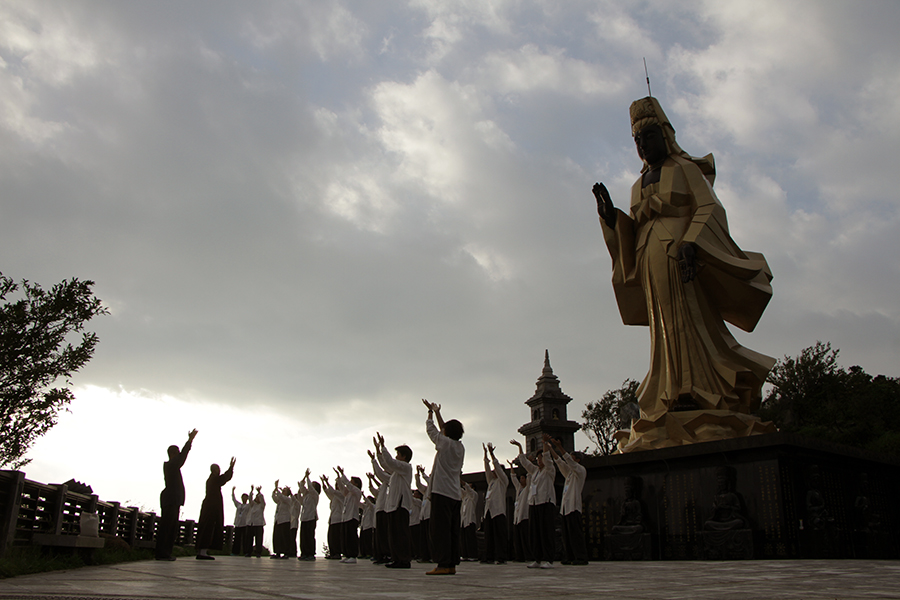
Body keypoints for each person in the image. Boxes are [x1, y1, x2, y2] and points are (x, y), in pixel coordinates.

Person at [592, 96, 775, 452]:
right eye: (637, 141)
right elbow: (631, 228)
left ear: (665, 135)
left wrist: (692, 241)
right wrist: (611, 217)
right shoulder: (638, 183)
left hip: (681, 256)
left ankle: (700, 389)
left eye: (648, 136)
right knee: (664, 330)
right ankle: (669, 393)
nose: (643, 146)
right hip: (649, 259)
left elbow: (708, 207)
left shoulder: (686, 168)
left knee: (688, 322)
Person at [423, 399, 464, 576]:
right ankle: (451, 563)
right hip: (455, 494)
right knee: (452, 531)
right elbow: (443, 431)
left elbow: (432, 431)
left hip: (442, 492)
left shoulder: (445, 443)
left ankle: (443, 564)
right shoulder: (459, 447)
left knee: (440, 531)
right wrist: (438, 412)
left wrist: (430, 414)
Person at [511, 437, 556, 569]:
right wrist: (519, 446)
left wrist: (546, 446)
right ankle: (537, 558)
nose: (539, 460)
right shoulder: (535, 471)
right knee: (535, 532)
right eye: (538, 459)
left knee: (546, 532)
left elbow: (548, 460)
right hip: (534, 503)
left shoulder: (549, 470)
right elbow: (525, 463)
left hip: (546, 503)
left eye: (541, 458)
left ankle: (548, 559)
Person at [156, 428, 198, 561]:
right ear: (173, 454)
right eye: (178, 453)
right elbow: (182, 457)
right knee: (167, 527)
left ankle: (165, 553)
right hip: (170, 499)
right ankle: (162, 553)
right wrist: (190, 441)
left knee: (171, 527)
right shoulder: (171, 465)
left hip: (172, 499)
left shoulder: (172, 466)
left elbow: (181, 458)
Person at [376, 431, 414, 569]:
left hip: (400, 505)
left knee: (400, 534)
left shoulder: (406, 467)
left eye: (398, 454)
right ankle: (397, 558)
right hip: (392, 506)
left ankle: (404, 559)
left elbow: (390, 463)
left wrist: (383, 447)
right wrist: (379, 454)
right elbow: (386, 466)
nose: (396, 457)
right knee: (393, 535)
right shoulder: (396, 473)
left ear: (404, 457)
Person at [547, 437, 588, 565]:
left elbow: (568, 461)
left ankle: (581, 557)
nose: (570, 460)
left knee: (575, 533)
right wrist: (550, 449)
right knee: (566, 534)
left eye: (572, 457)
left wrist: (560, 447)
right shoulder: (569, 474)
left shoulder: (580, 471)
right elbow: (560, 462)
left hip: (574, 507)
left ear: (578, 460)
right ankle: (570, 556)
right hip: (565, 507)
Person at [196, 456, 236, 560]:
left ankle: (202, 551)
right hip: (211, 507)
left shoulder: (211, 480)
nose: (219, 471)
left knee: (207, 527)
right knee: (208, 527)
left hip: (209, 506)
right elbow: (224, 478)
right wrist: (231, 467)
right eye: (218, 470)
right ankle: (203, 552)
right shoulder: (214, 479)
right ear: (214, 470)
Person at [481, 442, 509, 564]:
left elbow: (497, 467)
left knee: (500, 536)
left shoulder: (503, 481)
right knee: (489, 536)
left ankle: (501, 557)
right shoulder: (491, 482)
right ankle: (489, 557)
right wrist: (485, 455)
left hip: (498, 511)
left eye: (495, 470)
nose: (493, 472)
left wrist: (493, 455)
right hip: (489, 511)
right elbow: (487, 470)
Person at [335, 466, 363, 563]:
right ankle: (347, 554)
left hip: (352, 517)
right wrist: (339, 478)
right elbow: (342, 489)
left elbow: (348, 485)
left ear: (356, 484)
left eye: (352, 481)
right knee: (345, 537)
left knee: (351, 537)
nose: (350, 483)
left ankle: (353, 555)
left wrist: (343, 475)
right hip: (346, 517)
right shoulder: (349, 494)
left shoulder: (357, 492)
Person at [508, 460, 532, 562]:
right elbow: (513, 478)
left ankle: (528, 556)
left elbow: (530, 475)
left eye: (523, 478)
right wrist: (511, 467)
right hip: (517, 517)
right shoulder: (519, 489)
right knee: (517, 539)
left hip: (524, 516)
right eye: (521, 478)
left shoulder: (528, 489)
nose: (521, 480)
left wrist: (529, 463)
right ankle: (519, 556)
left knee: (525, 539)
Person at [297, 469, 320, 560]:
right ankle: (304, 553)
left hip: (311, 518)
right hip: (304, 518)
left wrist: (307, 477)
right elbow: (302, 486)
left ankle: (310, 553)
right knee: (303, 537)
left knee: (310, 536)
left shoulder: (315, 495)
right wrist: (304, 477)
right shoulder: (306, 496)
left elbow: (309, 487)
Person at [320, 474, 344, 559]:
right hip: (332, 519)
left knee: (336, 537)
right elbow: (327, 491)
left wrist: (327, 481)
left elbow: (333, 491)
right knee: (331, 537)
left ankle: (337, 553)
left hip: (338, 519)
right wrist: (323, 482)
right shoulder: (334, 497)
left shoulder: (342, 495)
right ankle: (333, 552)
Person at [270, 480, 293, 559]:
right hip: (278, 520)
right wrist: (275, 490)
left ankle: (286, 552)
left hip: (285, 520)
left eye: (284, 490)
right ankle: (277, 552)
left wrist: (277, 487)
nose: (283, 491)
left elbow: (281, 497)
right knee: (277, 537)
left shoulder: (288, 500)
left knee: (284, 537)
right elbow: (274, 497)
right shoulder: (280, 501)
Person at [459, 481, 478, 561]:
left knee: (470, 539)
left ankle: (473, 555)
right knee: (463, 539)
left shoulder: (474, 495)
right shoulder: (465, 497)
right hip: (464, 520)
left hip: (470, 520)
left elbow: (468, 490)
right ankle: (465, 555)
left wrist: (464, 484)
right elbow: (460, 490)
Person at [246, 486, 266, 557]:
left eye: (258, 497)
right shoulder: (252, 505)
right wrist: (251, 491)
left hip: (259, 524)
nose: (257, 498)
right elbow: (250, 499)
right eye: (256, 497)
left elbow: (263, 500)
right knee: (249, 539)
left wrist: (259, 492)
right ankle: (249, 552)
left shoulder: (261, 505)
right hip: (251, 524)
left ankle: (258, 552)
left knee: (259, 539)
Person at [230, 486, 250, 556]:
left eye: (245, 497)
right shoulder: (239, 505)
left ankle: (245, 552)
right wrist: (233, 491)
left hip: (244, 524)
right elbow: (234, 499)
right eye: (242, 497)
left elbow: (251, 500)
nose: (243, 498)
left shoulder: (248, 506)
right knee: (236, 539)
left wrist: (251, 491)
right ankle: (235, 552)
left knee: (245, 539)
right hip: (238, 524)